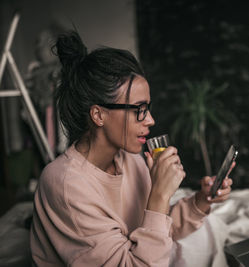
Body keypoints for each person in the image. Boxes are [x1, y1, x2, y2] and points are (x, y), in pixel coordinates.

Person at [30, 30, 234, 266]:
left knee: (209, 230)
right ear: (98, 115)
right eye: (139, 109)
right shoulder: (65, 184)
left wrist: (200, 200)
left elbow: (155, 231)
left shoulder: (130, 159)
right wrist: (158, 194)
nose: (150, 120)